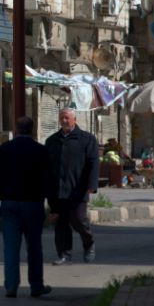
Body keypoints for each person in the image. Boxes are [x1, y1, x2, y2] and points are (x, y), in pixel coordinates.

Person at [0, 116, 53, 298]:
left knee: (10, 247)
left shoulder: (5, 149)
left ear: (15, 130)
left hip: (9, 204)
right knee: (34, 247)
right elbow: (49, 180)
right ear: (32, 131)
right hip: (33, 204)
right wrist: (54, 207)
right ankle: (36, 285)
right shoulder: (40, 150)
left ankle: (11, 285)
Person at [45, 107, 100, 265]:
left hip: (78, 188)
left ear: (74, 119)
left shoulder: (86, 139)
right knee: (60, 222)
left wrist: (92, 184)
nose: (64, 121)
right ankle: (64, 254)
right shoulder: (52, 141)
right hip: (57, 189)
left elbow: (93, 162)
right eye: (62, 118)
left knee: (78, 219)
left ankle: (89, 242)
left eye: (67, 118)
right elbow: (46, 166)